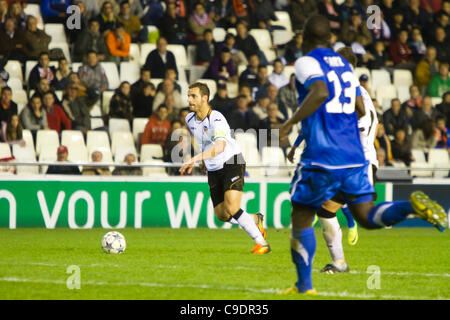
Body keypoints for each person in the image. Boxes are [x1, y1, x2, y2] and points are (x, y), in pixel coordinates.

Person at [279, 15, 447, 295]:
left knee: (302, 213)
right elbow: (359, 106)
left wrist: (289, 124)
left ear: (305, 39)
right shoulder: (344, 66)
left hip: (324, 154)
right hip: (355, 156)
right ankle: (412, 208)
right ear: (329, 39)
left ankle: (304, 286)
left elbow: (319, 92)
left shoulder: (307, 62)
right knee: (366, 216)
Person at [179, 82, 269, 254]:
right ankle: (253, 219)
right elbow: (204, 140)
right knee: (222, 215)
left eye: (193, 96)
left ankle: (261, 242)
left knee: (232, 207)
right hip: (213, 168)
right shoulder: (189, 119)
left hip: (231, 162)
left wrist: (195, 158)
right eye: (188, 95)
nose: (189, 99)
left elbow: (219, 146)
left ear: (205, 98)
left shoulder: (217, 118)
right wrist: (204, 161)